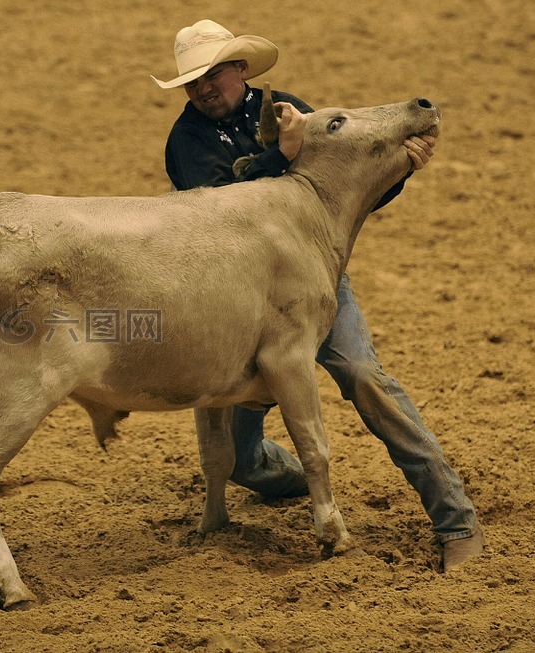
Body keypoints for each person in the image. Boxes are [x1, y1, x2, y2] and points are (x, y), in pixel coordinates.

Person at [151, 19, 483, 571]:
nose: (203, 88)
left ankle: (455, 519)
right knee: (237, 458)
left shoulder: (290, 109)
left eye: (211, 74)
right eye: (192, 81)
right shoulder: (187, 141)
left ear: (239, 69)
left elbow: (343, 193)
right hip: (236, 302)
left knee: (362, 375)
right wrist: (281, 154)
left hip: (310, 283)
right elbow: (222, 218)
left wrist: (402, 171)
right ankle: (295, 480)